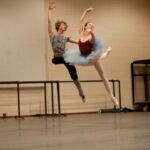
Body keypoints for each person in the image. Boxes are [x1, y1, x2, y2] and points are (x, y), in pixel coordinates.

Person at [64, 8, 119, 106]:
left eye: (92, 26)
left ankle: (112, 97)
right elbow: (80, 20)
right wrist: (85, 11)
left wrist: (91, 32)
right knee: (71, 60)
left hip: (91, 56)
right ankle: (106, 53)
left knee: (103, 75)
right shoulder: (80, 33)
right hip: (82, 56)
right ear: (85, 27)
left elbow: (93, 39)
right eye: (89, 25)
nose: (91, 26)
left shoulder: (91, 36)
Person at [48, 2, 85, 102]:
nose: (65, 27)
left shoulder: (65, 37)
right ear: (59, 26)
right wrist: (50, 11)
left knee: (73, 73)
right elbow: (49, 23)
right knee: (54, 60)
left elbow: (77, 41)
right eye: (63, 25)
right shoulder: (53, 36)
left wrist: (84, 42)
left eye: (65, 26)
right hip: (57, 58)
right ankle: (56, 59)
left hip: (65, 57)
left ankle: (81, 93)